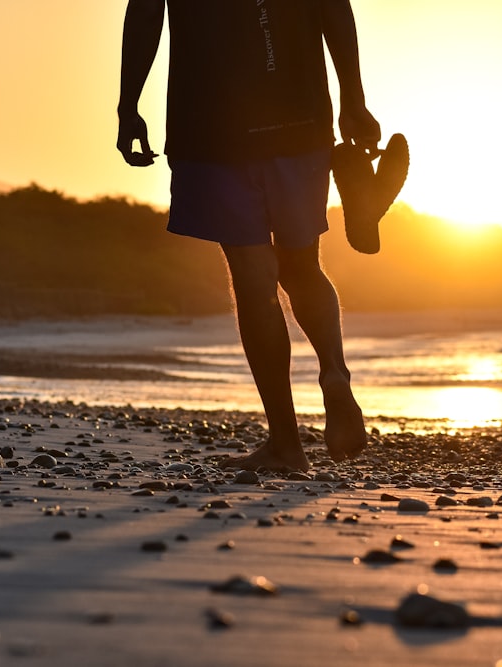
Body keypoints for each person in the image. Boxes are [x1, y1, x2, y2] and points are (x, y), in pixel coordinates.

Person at [117, 0, 381, 473]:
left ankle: (286, 445)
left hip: (214, 127)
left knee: (254, 282)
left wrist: (128, 105)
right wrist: (353, 99)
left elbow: (144, 13)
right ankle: (335, 374)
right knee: (302, 266)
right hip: (300, 118)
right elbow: (335, 7)